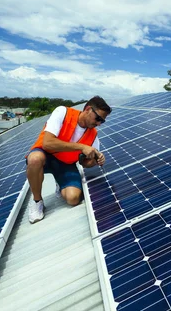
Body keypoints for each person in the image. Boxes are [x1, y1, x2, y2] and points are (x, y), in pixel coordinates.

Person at [26, 96, 112, 224]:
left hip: (65, 164)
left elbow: (84, 162)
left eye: (102, 121)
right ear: (88, 109)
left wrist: (94, 160)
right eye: (98, 118)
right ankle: (37, 201)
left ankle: (60, 182)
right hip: (45, 155)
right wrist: (82, 147)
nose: (99, 123)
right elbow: (47, 143)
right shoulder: (63, 112)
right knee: (34, 159)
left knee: (73, 198)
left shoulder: (93, 135)